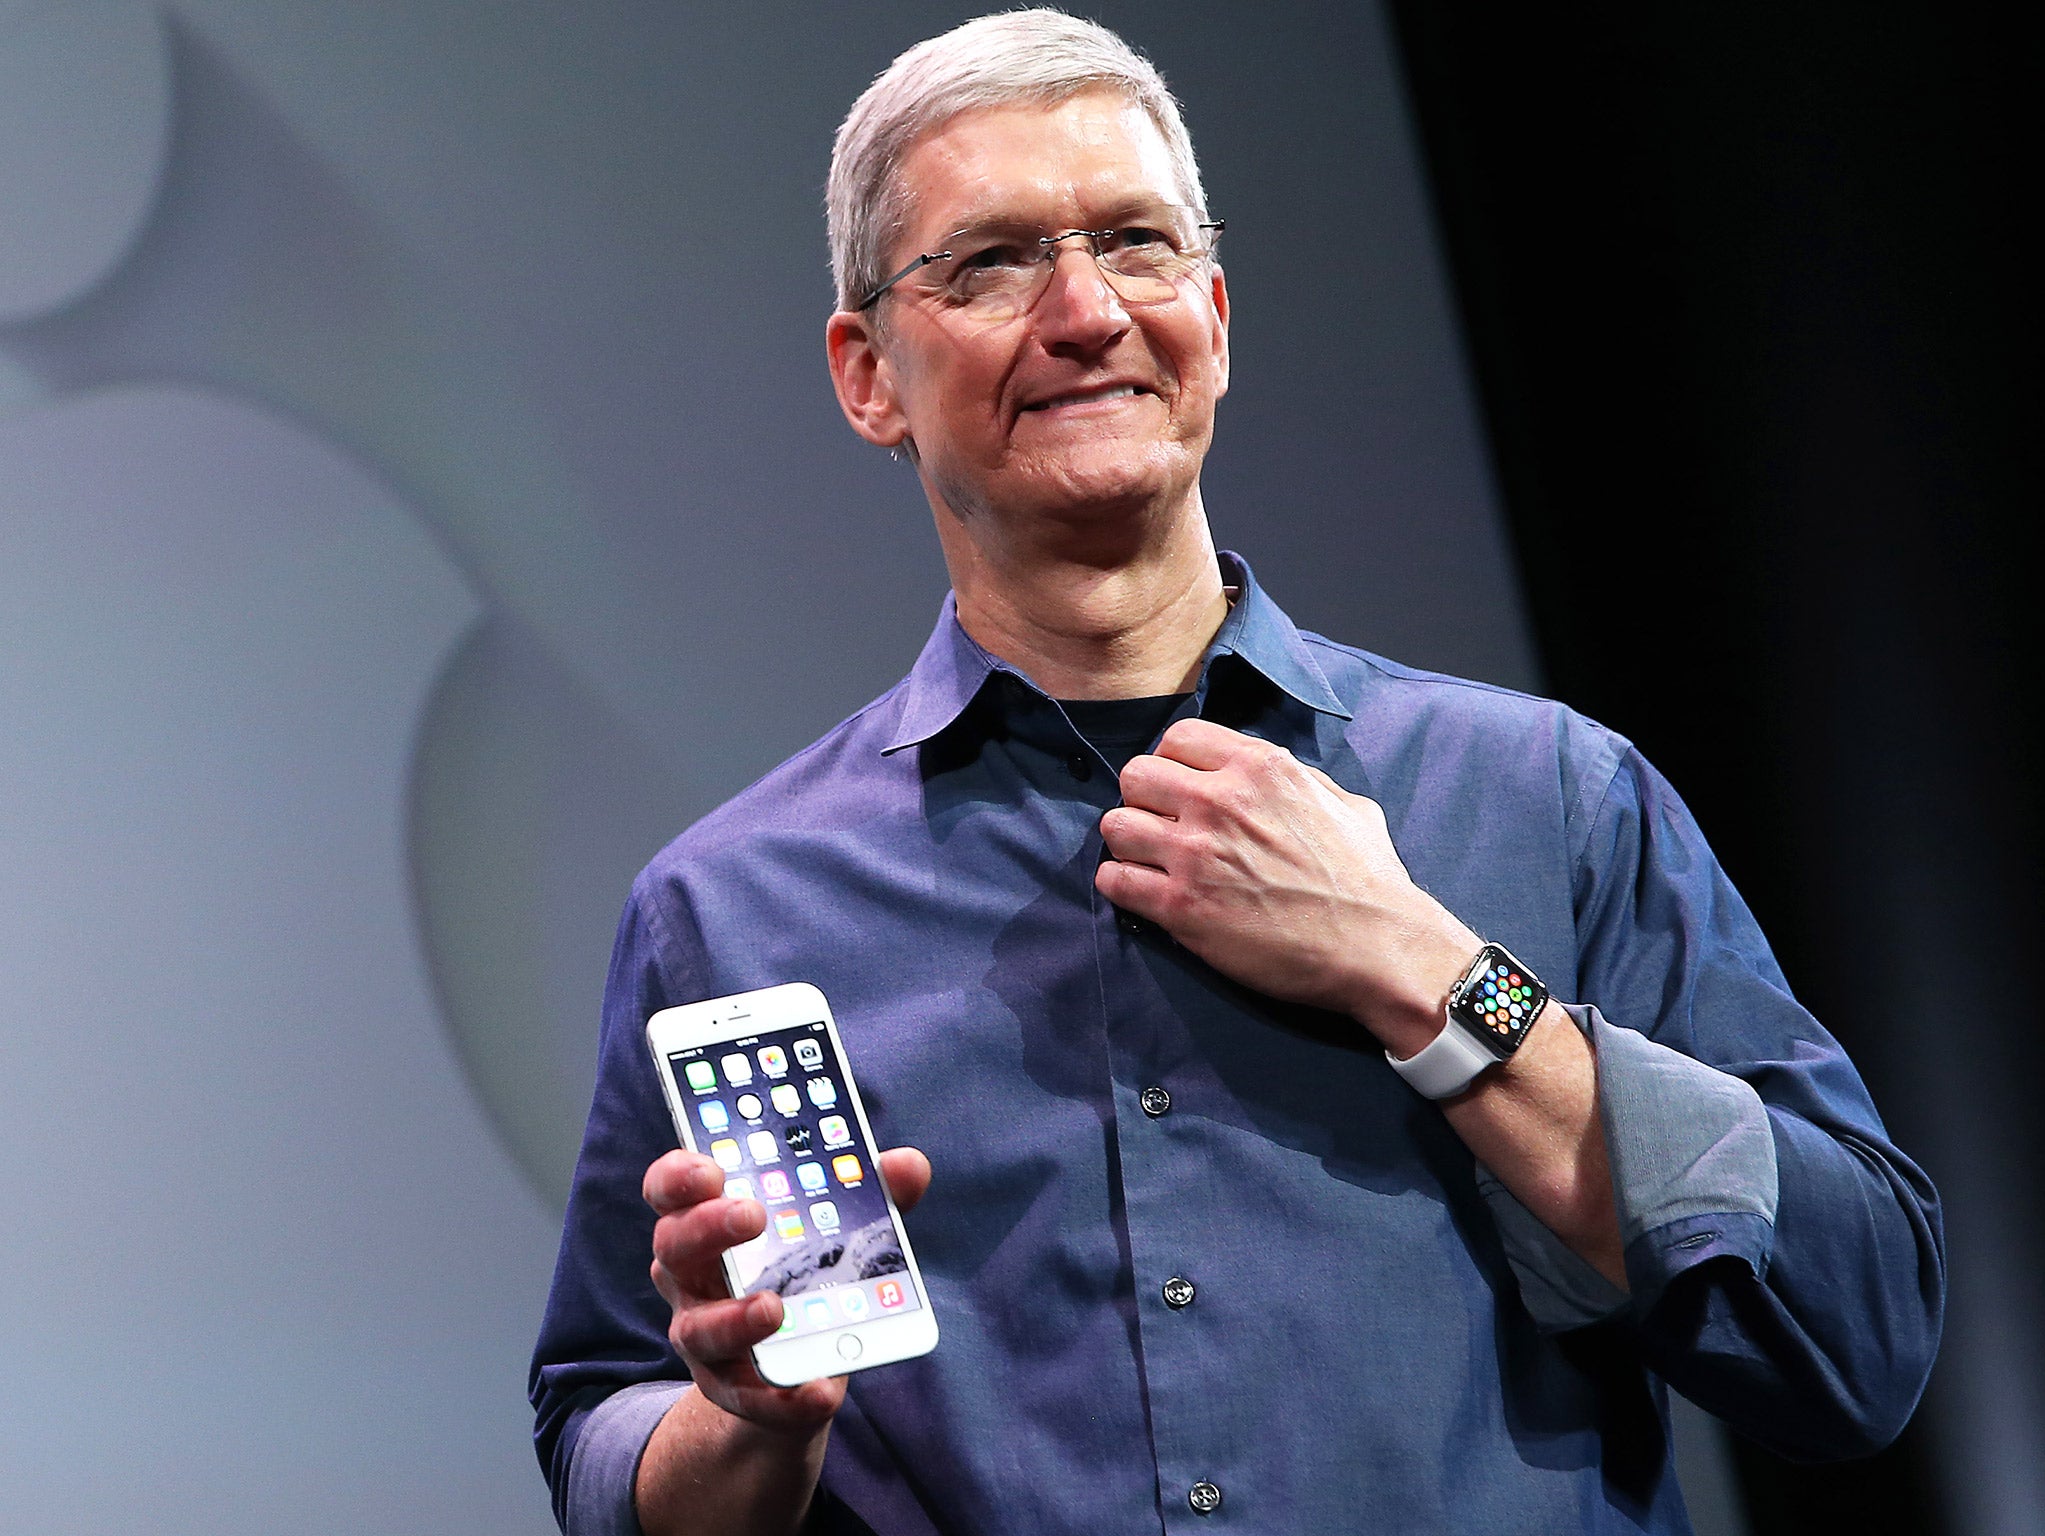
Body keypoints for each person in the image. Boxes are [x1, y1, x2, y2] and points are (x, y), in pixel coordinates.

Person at [530, 13, 1943, 1534]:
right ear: (868, 376)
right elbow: (605, 1427)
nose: (1084, 311)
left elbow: (1856, 1339)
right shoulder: (733, 907)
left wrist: (1423, 966)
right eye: (993, 261)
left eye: (1134, 242)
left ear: (1212, 312)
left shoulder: (1548, 798)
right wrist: (747, 1424)